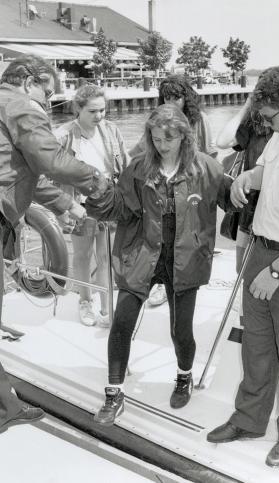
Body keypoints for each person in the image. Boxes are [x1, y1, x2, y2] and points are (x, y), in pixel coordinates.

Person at [207, 66, 279, 468]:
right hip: (261, 249)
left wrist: (275, 273)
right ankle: (249, 420)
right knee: (256, 343)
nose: (267, 125)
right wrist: (248, 180)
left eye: (272, 117)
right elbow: (266, 170)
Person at [86, 103, 232, 426]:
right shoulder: (138, 168)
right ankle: (114, 392)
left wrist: (250, 190)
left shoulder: (207, 169)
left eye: (167, 139)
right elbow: (120, 209)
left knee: (181, 330)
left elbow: (233, 201)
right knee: (121, 322)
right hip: (142, 254)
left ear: (183, 136)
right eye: (154, 138)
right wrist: (96, 195)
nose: (160, 145)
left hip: (185, 260)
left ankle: (184, 375)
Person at [0, 54, 108, 432]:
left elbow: (26, 169)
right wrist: (95, 181)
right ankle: (4, 410)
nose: (48, 100)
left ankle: (4, 406)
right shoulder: (20, 106)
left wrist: (67, 206)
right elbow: (50, 160)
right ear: (29, 81)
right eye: (47, 90)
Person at [130, 74, 218, 307]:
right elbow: (139, 151)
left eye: (176, 97)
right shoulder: (158, 122)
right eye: (166, 97)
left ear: (185, 98)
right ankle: (159, 283)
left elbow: (210, 153)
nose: (171, 102)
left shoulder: (201, 120)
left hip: (192, 185)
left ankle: (181, 282)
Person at [54, 84, 129, 327]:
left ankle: (107, 305)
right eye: (93, 111)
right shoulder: (64, 135)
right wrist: (60, 207)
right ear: (78, 109)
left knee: (106, 256)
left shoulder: (111, 130)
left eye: (102, 111)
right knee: (83, 256)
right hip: (80, 204)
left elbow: (125, 165)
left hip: (109, 202)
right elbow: (48, 168)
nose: (99, 116)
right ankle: (85, 301)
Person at [217, 95, 272, 272]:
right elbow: (222, 142)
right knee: (241, 268)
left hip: (276, 207)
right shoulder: (254, 126)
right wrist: (246, 107)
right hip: (249, 208)